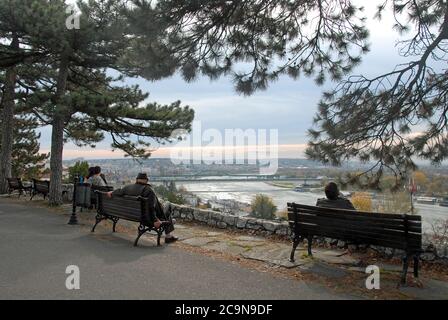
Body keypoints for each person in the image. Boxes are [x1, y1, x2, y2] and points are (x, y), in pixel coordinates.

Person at [107, 173, 178, 244]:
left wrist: (112, 192)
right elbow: (151, 207)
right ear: (146, 181)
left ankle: (170, 223)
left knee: (168, 214)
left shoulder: (128, 187)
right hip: (147, 218)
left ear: (137, 179)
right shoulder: (148, 190)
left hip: (134, 215)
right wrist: (155, 220)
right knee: (168, 205)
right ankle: (168, 234)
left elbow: (119, 191)